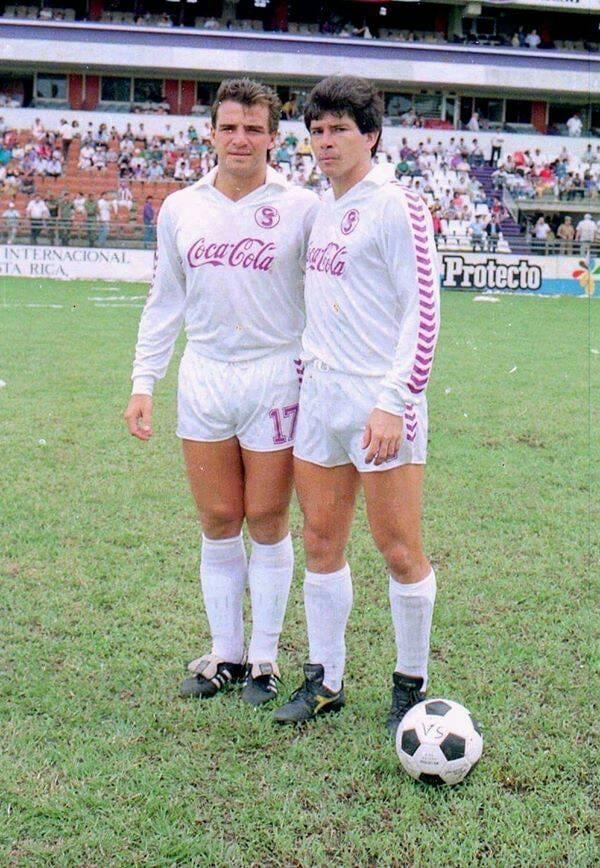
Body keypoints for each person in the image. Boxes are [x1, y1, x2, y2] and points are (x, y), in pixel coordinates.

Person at [124, 78, 319, 707]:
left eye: (253, 128)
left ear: (273, 137)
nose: (240, 139)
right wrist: (142, 381)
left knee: (266, 518)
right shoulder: (182, 208)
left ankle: (264, 657)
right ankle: (224, 653)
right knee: (217, 519)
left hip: (275, 374)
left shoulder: (303, 206)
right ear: (210, 132)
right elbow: (165, 300)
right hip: (204, 374)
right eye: (229, 127)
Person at [273, 76, 440, 733]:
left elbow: (423, 314)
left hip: (380, 400)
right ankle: (325, 679)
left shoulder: (397, 206)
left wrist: (396, 401)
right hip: (320, 397)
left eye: (340, 129)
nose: (326, 142)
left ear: (370, 135)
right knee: (320, 539)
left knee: (398, 547)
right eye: (317, 131)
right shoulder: (320, 208)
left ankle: (410, 683)